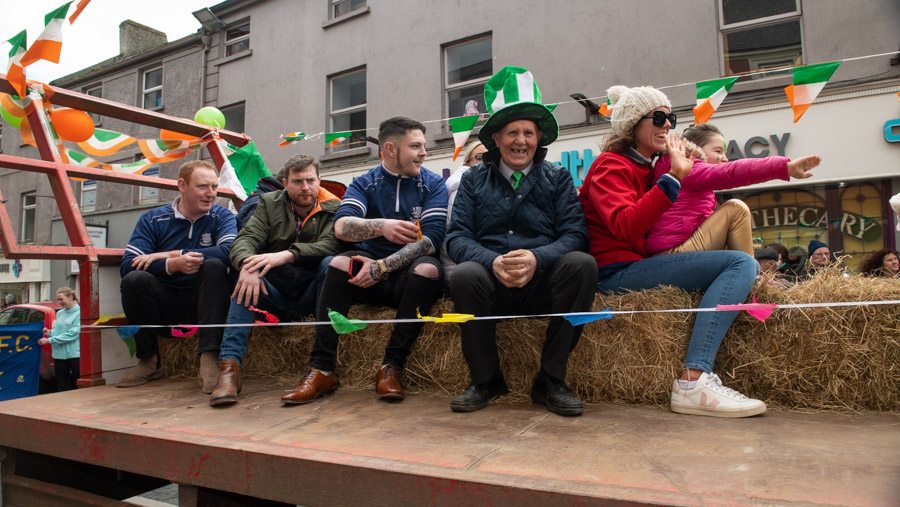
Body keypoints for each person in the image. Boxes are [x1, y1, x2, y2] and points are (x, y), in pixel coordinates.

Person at [579, 84, 766, 418]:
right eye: (659, 117)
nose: (668, 125)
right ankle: (693, 382)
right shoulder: (611, 165)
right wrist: (674, 178)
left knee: (737, 233)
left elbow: (722, 175)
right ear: (631, 125)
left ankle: (751, 292)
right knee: (739, 264)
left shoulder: (649, 165)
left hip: (638, 264)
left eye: (672, 118)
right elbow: (625, 224)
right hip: (613, 273)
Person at [446, 66, 597, 416]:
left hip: (543, 284)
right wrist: (492, 261)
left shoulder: (558, 177)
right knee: (465, 274)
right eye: (512, 131)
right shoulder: (472, 180)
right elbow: (457, 237)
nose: (521, 140)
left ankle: (550, 380)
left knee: (582, 265)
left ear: (539, 137)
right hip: (491, 286)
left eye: (528, 132)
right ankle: (486, 380)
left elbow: (575, 235)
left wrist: (536, 258)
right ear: (496, 138)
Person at [280, 117, 448, 405]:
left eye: (423, 145)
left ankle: (391, 366)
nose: (424, 152)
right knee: (336, 264)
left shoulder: (432, 183)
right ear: (391, 149)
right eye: (416, 146)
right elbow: (341, 227)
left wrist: (383, 267)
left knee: (429, 270)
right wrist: (382, 226)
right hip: (365, 272)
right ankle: (321, 369)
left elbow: (431, 240)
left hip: (404, 275)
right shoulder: (365, 182)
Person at [210, 155, 344, 406]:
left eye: (310, 180)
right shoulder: (268, 203)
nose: (305, 187)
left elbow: (331, 245)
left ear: (319, 181)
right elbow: (245, 239)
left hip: (313, 294)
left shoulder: (335, 207)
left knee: (331, 264)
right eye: (297, 181)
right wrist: (247, 265)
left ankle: (322, 368)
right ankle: (229, 369)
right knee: (245, 282)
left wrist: (287, 255)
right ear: (285, 182)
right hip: (276, 293)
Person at [118, 160, 237, 392]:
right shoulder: (153, 219)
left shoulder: (222, 216)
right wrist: (172, 265)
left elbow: (229, 252)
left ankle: (209, 358)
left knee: (213, 265)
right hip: (165, 305)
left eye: (214, 187)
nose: (211, 194)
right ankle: (149, 361)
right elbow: (127, 266)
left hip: (205, 304)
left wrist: (171, 253)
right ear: (182, 186)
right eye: (203, 187)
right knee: (134, 281)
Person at [645, 123, 820, 257]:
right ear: (697, 149)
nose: (725, 158)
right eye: (718, 151)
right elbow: (731, 173)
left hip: (673, 249)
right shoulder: (686, 164)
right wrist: (783, 167)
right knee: (736, 209)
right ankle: (750, 276)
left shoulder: (676, 165)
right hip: (674, 252)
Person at [440, 140, 488, 283]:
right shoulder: (460, 187)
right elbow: (458, 235)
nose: (486, 162)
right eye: (480, 157)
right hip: (463, 271)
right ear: (466, 164)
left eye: (491, 156)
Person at [38, 287, 81, 391]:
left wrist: (49, 340)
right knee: (62, 385)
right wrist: (49, 333)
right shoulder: (60, 313)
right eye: (58, 299)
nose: (59, 302)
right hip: (59, 355)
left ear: (70, 297)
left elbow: (72, 334)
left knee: (78, 384)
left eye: (61, 299)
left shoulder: (79, 313)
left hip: (73, 355)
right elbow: (57, 332)